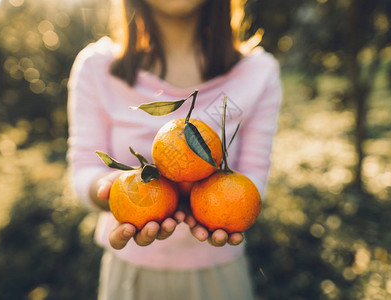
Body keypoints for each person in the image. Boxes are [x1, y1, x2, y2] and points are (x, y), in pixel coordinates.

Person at [67, 0, 282, 299]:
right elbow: (83, 168)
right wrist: (109, 190)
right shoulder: (96, 67)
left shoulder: (259, 72)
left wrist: (203, 201)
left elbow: (255, 179)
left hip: (219, 277)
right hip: (129, 274)